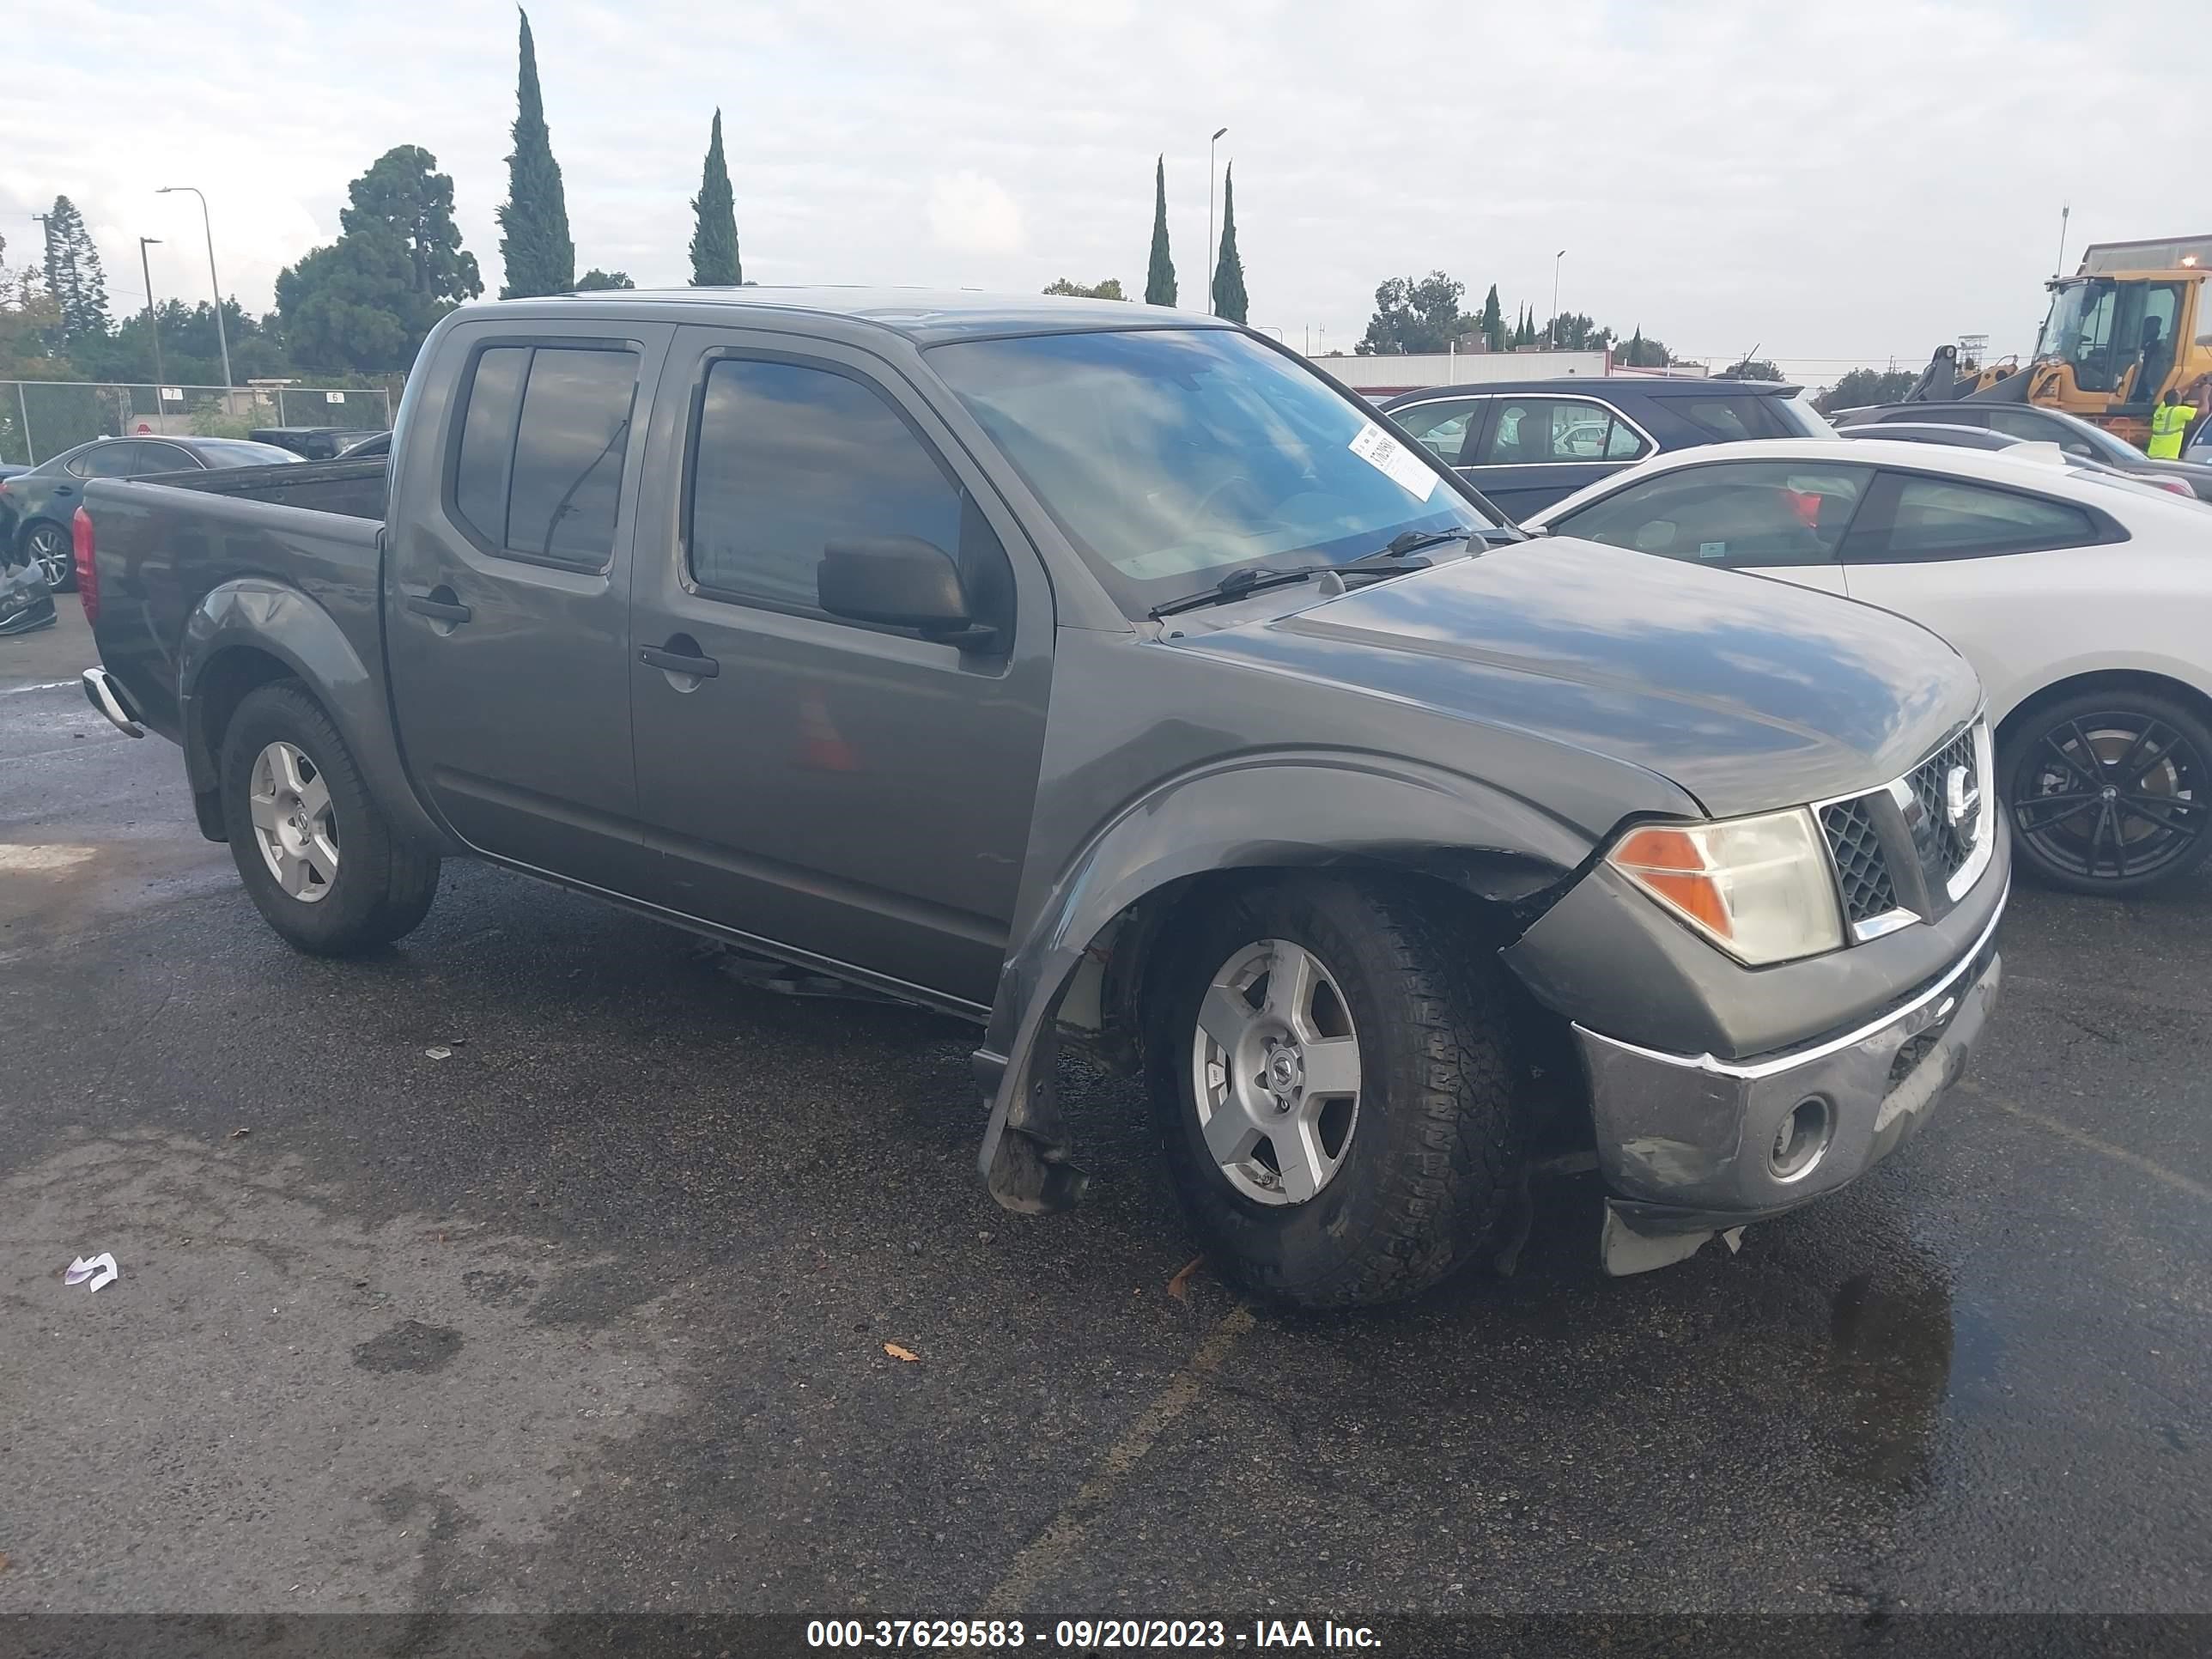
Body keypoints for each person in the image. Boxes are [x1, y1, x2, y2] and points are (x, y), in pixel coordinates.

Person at [2147, 387, 2197, 459]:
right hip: (2168, 458)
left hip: (2152, 455)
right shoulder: (2179, 411)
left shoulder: (2160, 410)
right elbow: (2204, 410)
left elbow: (2174, 395)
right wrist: (2205, 394)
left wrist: (2195, 381)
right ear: (2179, 400)